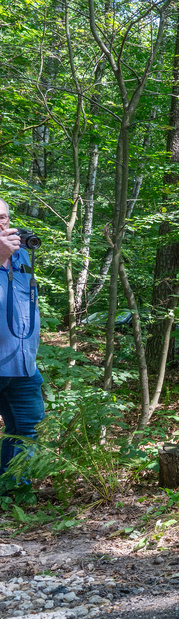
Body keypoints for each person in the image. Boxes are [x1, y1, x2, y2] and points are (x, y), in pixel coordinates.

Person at [0, 198, 44, 493]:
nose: (1, 224)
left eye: (3, 218)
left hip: (23, 363)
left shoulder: (22, 257)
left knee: (28, 430)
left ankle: (13, 491)